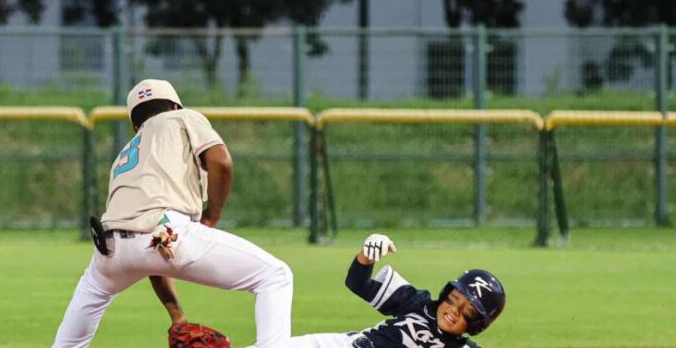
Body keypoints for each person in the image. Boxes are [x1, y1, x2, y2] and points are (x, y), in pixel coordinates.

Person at [52, 79, 293, 348]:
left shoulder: (125, 155)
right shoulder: (183, 117)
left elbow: (150, 252)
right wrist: (212, 215)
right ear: (176, 105)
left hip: (109, 248)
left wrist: (177, 317)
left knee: (71, 339)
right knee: (274, 276)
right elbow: (220, 162)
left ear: (135, 125)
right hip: (166, 231)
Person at [276, 233, 506, 348]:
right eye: (454, 299)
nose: (453, 311)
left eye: (468, 312)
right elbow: (358, 283)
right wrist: (366, 257)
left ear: (478, 324)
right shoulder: (418, 303)